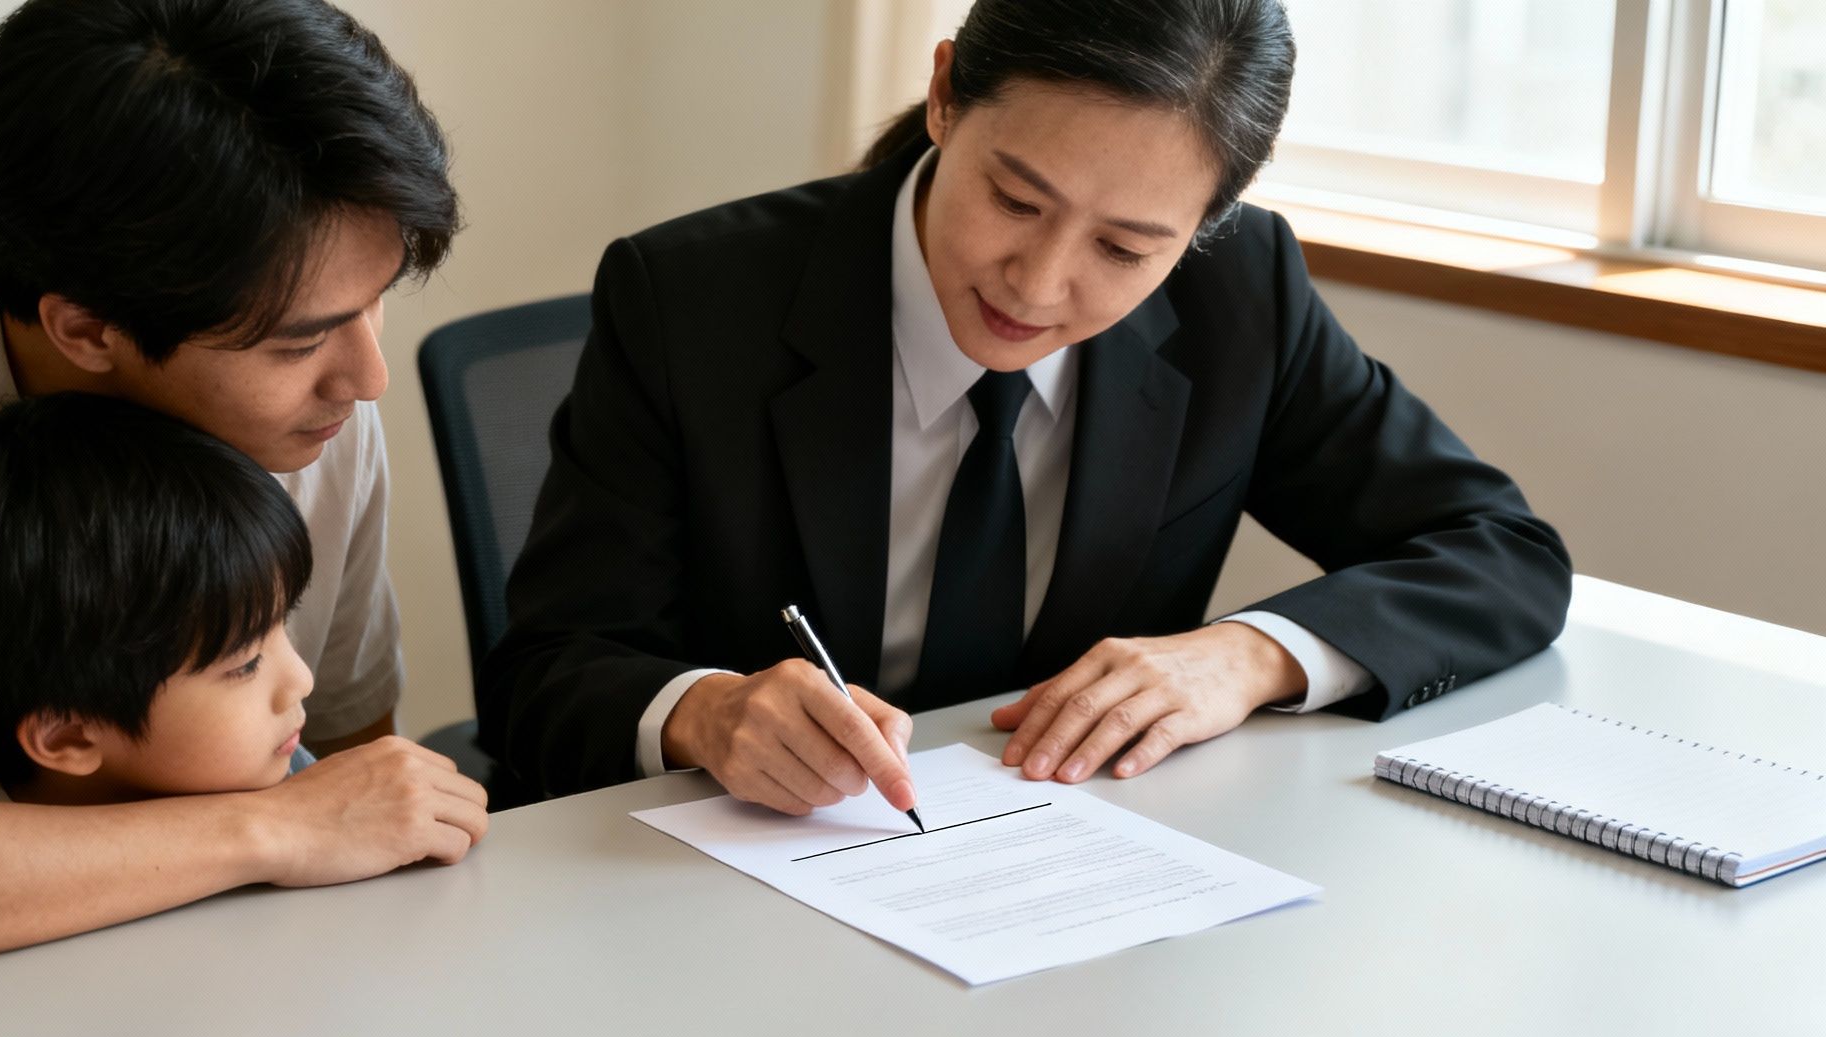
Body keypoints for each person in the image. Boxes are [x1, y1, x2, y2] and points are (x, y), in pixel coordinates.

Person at [479, 0, 1573, 813]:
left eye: (1123, 247)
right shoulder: (693, 302)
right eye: (1013, 199)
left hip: (1075, 886)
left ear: (1207, 220)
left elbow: (1498, 551)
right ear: (945, 93)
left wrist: (1245, 655)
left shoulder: (1238, 298)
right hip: (739, 891)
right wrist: (706, 713)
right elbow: (546, 674)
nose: (1036, 284)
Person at [0, 0, 483, 990]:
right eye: (299, 339)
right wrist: (265, 830)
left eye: (373, 304)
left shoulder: (310, 394)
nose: (366, 379)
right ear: (87, 332)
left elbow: (351, 770)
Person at [0, 395, 337, 805]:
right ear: (68, 736)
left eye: (283, 623)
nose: (301, 680)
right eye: (246, 664)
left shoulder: (269, 756)